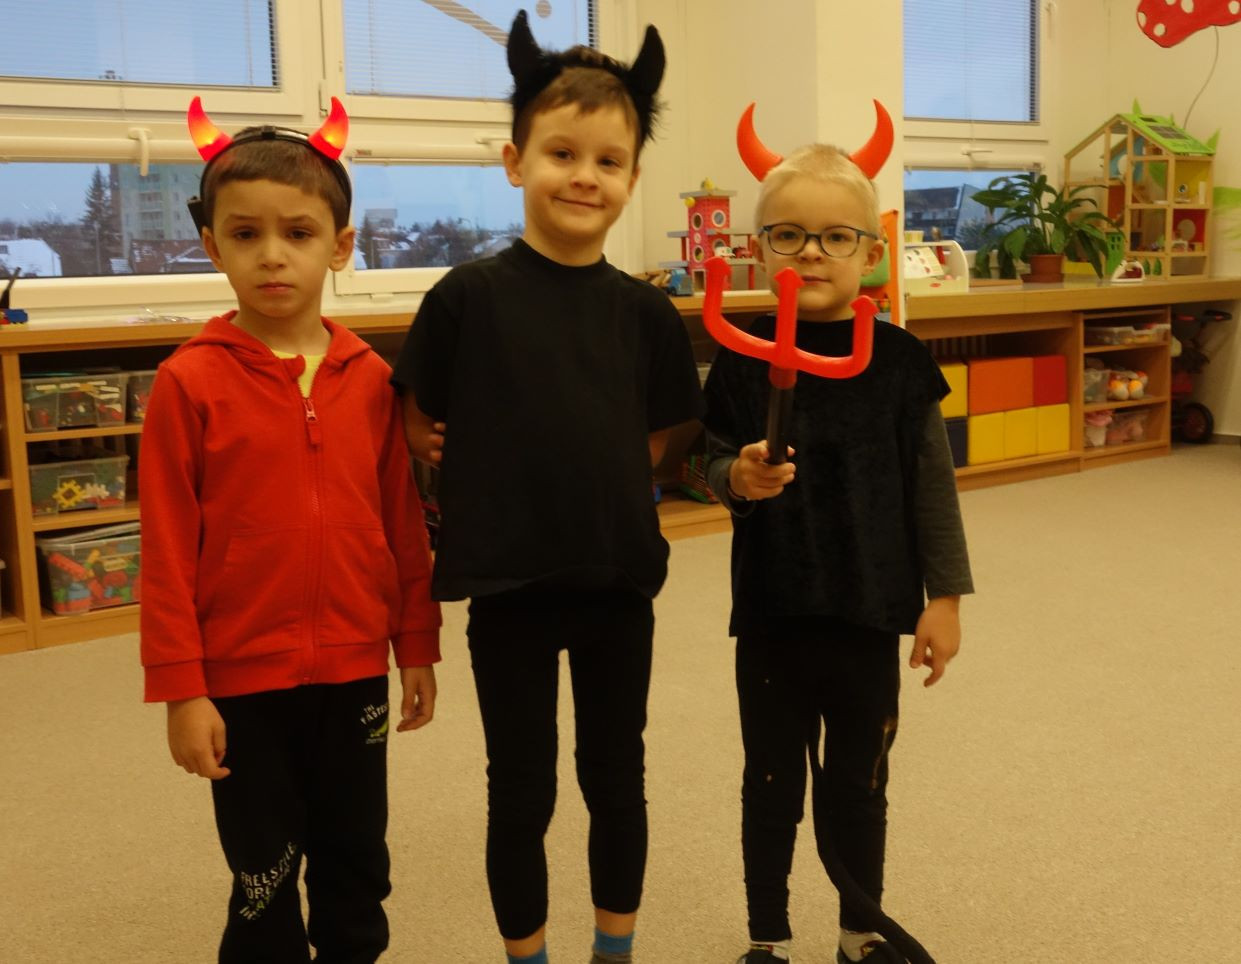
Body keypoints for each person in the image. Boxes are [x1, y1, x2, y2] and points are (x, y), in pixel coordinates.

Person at [391, 11, 703, 964]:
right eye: (561, 153)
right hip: (509, 589)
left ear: (633, 179)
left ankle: (614, 949)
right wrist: (429, 441)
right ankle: (525, 955)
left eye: (608, 161)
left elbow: (658, 441)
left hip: (615, 586)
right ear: (513, 161)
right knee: (519, 790)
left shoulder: (645, 313)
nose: (584, 176)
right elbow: (412, 416)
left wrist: (597, 475)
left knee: (616, 779)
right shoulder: (466, 298)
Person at [140, 96, 441, 964]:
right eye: (246, 234)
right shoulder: (188, 383)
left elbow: (401, 524)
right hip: (241, 679)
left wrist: (415, 643)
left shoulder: (370, 378)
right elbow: (166, 549)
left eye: (298, 233)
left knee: (356, 860)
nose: (272, 254)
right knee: (263, 871)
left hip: (355, 669)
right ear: (212, 246)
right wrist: (181, 689)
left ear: (340, 246)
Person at [703, 125, 974, 964]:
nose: (812, 252)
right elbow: (703, 460)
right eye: (788, 235)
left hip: (869, 610)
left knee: (860, 781)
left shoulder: (898, 362)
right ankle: (767, 938)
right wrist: (734, 476)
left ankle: (860, 932)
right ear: (758, 248)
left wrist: (943, 599)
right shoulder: (740, 359)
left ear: (871, 253)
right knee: (770, 784)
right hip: (773, 610)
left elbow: (931, 487)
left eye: (835, 237)